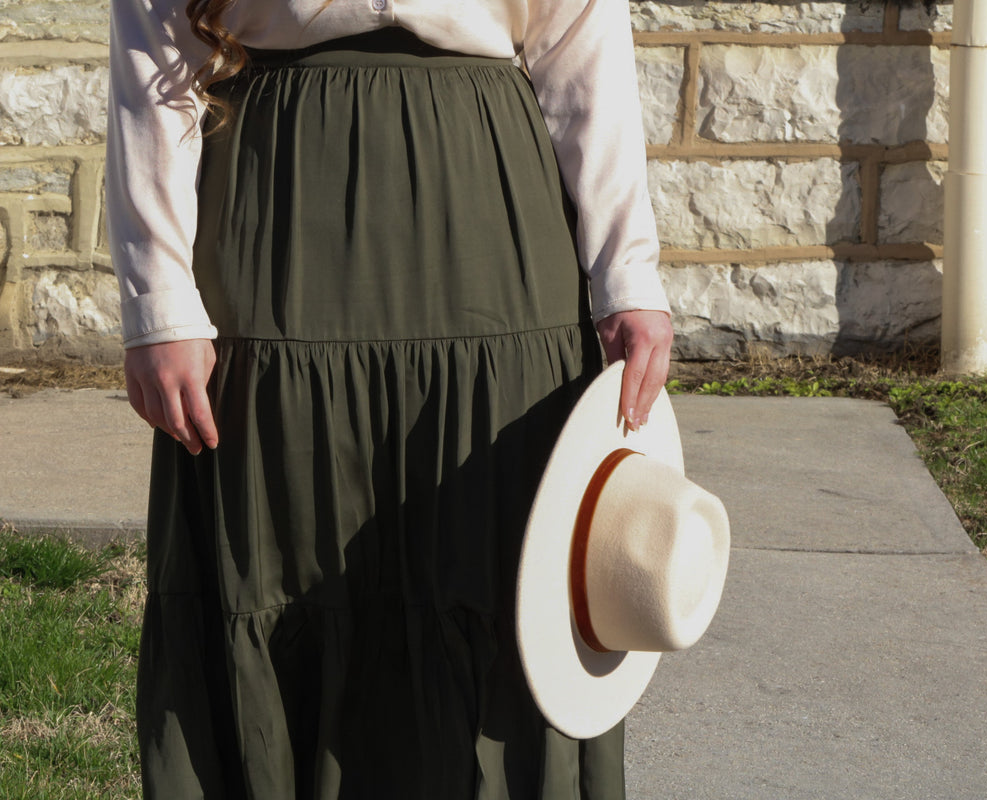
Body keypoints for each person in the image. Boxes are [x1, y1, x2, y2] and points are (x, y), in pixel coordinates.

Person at [105, 1, 673, 797]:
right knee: (282, 566)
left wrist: (626, 272)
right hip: (277, 219)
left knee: (500, 566)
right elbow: (153, 43)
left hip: (495, 227)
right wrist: (158, 301)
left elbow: (585, 40)